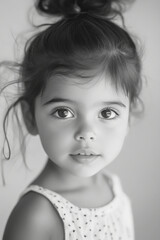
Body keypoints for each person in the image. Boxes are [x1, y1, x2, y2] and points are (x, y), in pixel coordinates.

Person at [1, 0, 143, 239]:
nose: (86, 132)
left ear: (128, 116)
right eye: (63, 112)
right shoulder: (37, 215)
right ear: (30, 118)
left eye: (107, 113)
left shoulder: (112, 185)